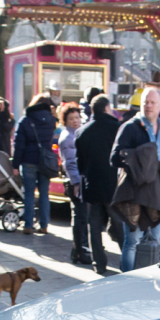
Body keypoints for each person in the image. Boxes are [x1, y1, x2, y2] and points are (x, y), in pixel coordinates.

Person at [111, 87, 160, 272]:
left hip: (159, 194)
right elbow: (114, 158)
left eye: (152, 102)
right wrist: (137, 159)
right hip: (136, 193)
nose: (148, 106)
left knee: (155, 241)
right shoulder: (130, 127)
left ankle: (148, 281)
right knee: (132, 241)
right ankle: (128, 280)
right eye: (145, 102)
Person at [74, 95, 122, 274]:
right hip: (112, 186)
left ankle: (99, 263)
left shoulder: (82, 131)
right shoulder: (116, 128)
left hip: (91, 186)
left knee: (94, 227)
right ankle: (126, 259)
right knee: (119, 224)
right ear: (107, 108)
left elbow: (80, 162)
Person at [11, 92, 58, 235]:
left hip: (28, 161)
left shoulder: (25, 120)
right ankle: (44, 225)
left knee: (29, 194)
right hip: (46, 162)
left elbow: (19, 144)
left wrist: (15, 164)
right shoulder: (51, 120)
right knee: (44, 194)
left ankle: (28, 225)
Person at [56, 103, 88, 264]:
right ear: (65, 120)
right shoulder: (68, 137)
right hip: (75, 181)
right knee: (80, 216)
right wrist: (76, 183)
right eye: (71, 118)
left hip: (79, 180)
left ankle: (79, 250)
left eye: (77, 117)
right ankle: (79, 250)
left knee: (81, 216)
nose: (75, 121)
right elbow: (70, 163)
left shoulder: (78, 134)